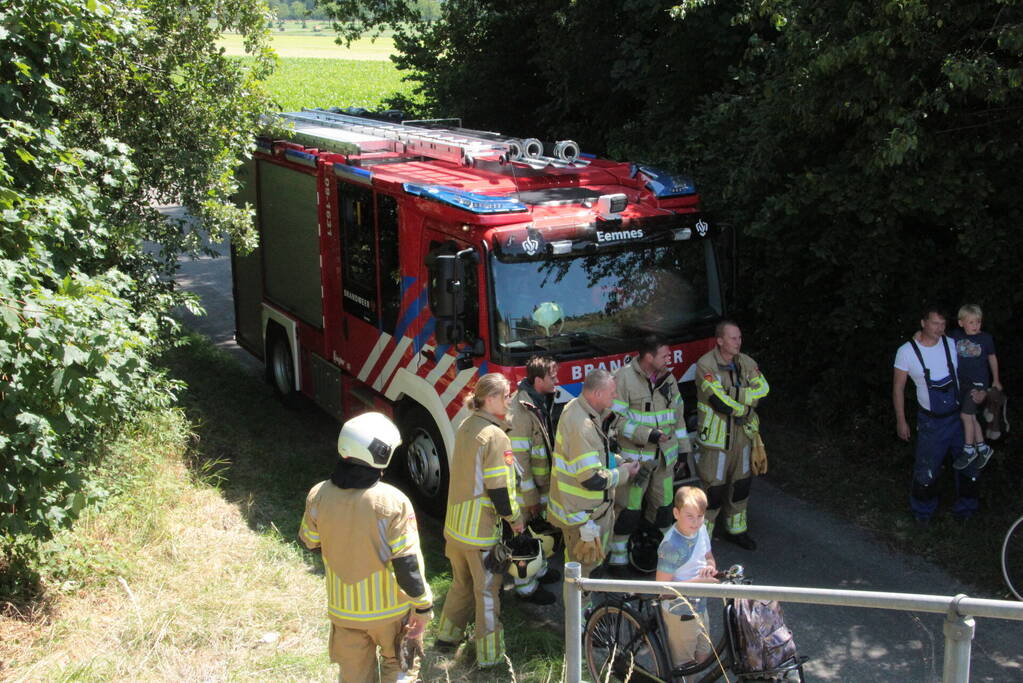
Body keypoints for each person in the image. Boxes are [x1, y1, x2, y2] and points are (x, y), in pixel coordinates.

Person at [299, 412, 433, 683]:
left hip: (344, 612)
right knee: (401, 669)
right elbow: (407, 565)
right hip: (390, 613)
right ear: (380, 454)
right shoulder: (393, 501)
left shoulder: (318, 494)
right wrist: (422, 607)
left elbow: (310, 541)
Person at [435, 373, 523, 668]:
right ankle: (490, 658)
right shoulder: (496, 436)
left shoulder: (466, 425)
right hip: (480, 532)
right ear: (491, 398)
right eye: (506, 395)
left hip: (455, 528)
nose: (510, 400)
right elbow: (500, 487)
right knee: (486, 593)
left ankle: (446, 639)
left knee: (460, 584)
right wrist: (515, 520)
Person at [608, 335, 691, 573]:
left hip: (665, 460)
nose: (669, 358)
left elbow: (679, 418)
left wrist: (684, 451)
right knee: (628, 511)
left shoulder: (669, 378)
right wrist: (649, 434)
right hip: (636, 462)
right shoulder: (623, 379)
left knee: (664, 510)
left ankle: (662, 556)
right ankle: (618, 559)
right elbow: (615, 422)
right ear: (648, 357)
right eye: (664, 355)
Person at [548, 369, 641, 577]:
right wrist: (624, 472)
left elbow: (596, 455)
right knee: (583, 573)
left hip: (589, 513)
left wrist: (618, 461)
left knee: (589, 565)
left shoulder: (583, 411)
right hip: (582, 516)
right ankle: (581, 610)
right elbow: (592, 479)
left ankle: (586, 609)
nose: (615, 396)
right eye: (612, 393)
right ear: (597, 394)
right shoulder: (582, 425)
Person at [893, 306, 981, 521]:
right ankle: (923, 513)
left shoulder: (952, 344)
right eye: (934, 323)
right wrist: (901, 420)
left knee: (969, 465)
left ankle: (966, 510)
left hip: (958, 418)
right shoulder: (906, 351)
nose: (939, 328)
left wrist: (981, 390)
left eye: (943, 324)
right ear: (923, 323)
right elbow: (898, 388)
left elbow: (977, 360)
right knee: (927, 470)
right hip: (931, 423)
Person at [694, 321, 769, 550]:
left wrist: (735, 393)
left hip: (743, 436)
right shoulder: (706, 365)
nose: (739, 342)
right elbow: (719, 401)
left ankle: (737, 531)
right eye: (733, 338)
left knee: (741, 485)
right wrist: (746, 406)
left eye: (739, 337)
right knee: (713, 490)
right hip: (717, 440)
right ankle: (702, 539)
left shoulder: (746, 362)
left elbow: (763, 389)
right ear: (720, 341)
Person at [507, 354, 561, 604]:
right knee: (523, 539)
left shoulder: (540, 401)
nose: (557, 380)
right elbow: (520, 461)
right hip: (526, 490)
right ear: (538, 380)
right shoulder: (520, 410)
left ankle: (539, 570)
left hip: (540, 484)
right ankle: (525, 588)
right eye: (552, 376)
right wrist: (530, 498)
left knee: (539, 533)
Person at [655, 486, 718, 667]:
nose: (696, 522)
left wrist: (710, 568)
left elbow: (708, 557)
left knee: (702, 653)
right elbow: (662, 590)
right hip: (679, 611)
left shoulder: (701, 529)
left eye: (700, 516)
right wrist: (700, 582)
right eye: (689, 516)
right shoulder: (672, 546)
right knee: (684, 664)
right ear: (676, 513)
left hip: (700, 604)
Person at [949, 304, 1001, 470]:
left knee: (965, 415)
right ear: (961, 323)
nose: (975, 325)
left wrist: (996, 380)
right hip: (962, 384)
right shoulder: (955, 336)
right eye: (971, 322)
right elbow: (937, 336)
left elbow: (992, 358)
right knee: (971, 417)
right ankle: (983, 449)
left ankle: (969, 450)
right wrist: (919, 334)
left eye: (978, 321)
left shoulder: (985, 338)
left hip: (978, 385)